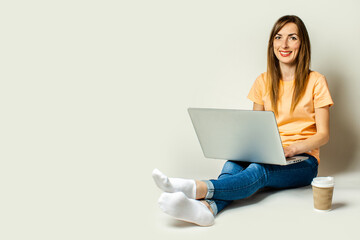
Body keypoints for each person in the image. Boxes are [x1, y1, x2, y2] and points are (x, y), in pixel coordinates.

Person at [152, 15, 334, 227]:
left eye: (292, 37)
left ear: (302, 43)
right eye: (278, 37)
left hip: (303, 161)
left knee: (259, 170)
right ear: (272, 43)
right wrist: (245, 147)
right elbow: (255, 128)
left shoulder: (316, 81)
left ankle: (198, 188)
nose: (284, 44)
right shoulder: (263, 81)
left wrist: (293, 148)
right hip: (269, 152)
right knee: (232, 164)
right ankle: (207, 209)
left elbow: (323, 135)